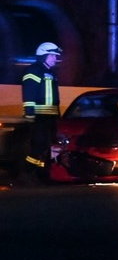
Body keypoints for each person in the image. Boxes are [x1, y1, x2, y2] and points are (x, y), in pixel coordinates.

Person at [21, 42, 63, 183]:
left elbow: (55, 98)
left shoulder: (50, 73)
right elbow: (29, 94)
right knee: (39, 146)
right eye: (52, 55)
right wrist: (30, 114)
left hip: (50, 117)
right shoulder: (33, 71)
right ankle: (27, 171)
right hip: (39, 117)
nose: (55, 59)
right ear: (43, 55)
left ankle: (42, 174)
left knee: (47, 147)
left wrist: (57, 117)